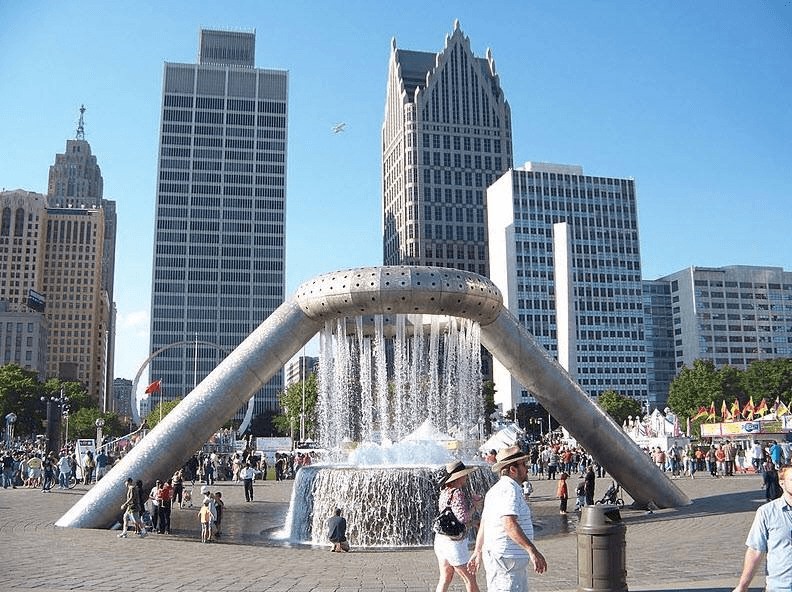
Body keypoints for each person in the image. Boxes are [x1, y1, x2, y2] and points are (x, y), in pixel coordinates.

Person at [469, 446, 547, 591]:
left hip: (504, 558)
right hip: (507, 560)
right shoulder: (509, 489)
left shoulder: (495, 489)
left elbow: (485, 523)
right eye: (523, 464)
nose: (527, 468)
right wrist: (532, 550)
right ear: (513, 469)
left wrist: (478, 550)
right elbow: (509, 524)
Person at [732, 464, 792, 591]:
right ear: (782, 483)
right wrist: (743, 586)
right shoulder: (767, 512)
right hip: (780, 587)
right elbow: (755, 550)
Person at [433, 461, 480, 592]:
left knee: (445, 577)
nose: (466, 477)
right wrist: (475, 506)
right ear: (459, 477)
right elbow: (463, 518)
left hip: (440, 539)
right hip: (454, 543)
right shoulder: (458, 493)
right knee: (469, 578)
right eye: (465, 475)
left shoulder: (444, 492)